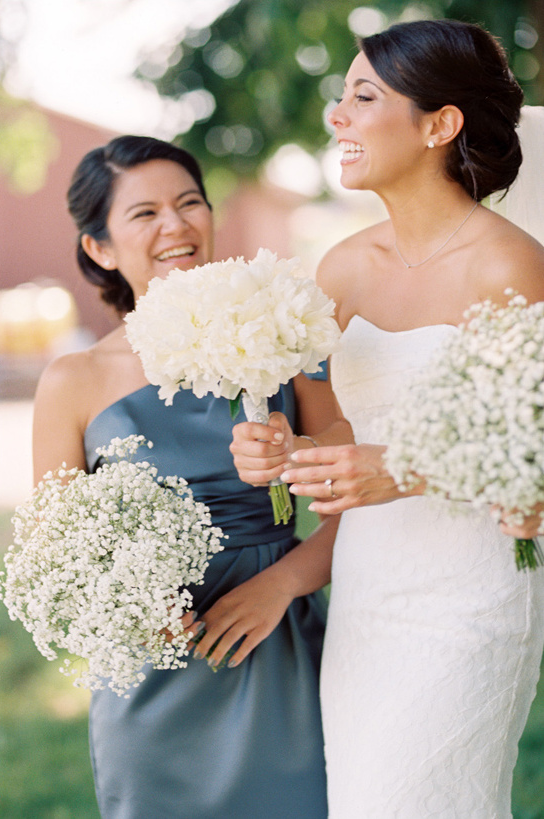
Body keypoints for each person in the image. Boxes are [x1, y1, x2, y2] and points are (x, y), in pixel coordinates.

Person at [230, 20, 544, 818]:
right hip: (369, 596)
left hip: (469, 596)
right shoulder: (343, 267)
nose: (337, 117)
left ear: (441, 125)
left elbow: (532, 459)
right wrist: (288, 450)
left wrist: (401, 468)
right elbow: (344, 434)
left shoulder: (509, 265)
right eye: (340, 97)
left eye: (364, 96)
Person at [32, 134, 344, 819]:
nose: (175, 224)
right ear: (101, 248)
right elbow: (57, 553)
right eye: (144, 214)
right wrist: (138, 613)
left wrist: (282, 582)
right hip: (155, 675)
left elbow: (355, 504)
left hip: (282, 650)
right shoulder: (72, 380)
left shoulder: (282, 331)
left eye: (189, 202)